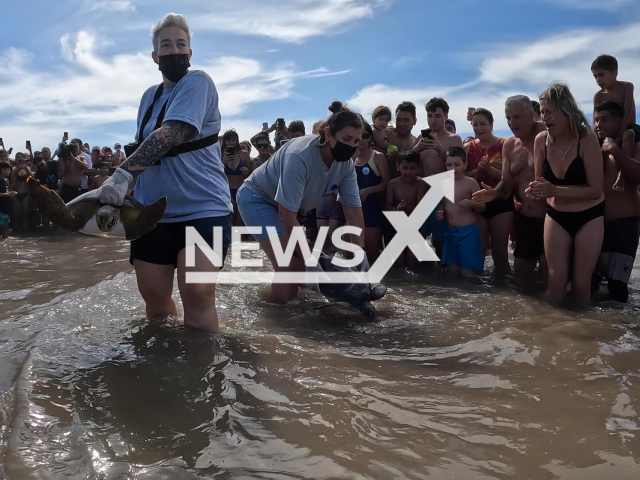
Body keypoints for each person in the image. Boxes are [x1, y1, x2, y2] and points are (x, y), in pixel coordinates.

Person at [96, 13, 233, 331]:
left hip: (203, 207)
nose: (174, 51)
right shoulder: (148, 96)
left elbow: (171, 133)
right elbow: (144, 147)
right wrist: (119, 193)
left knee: (197, 292)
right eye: (166, 45)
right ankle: (164, 365)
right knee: (155, 299)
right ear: (155, 55)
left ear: (190, 52)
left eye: (181, 44)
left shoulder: (198, 81)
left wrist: (121, 175)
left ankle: (203, 368)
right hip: (152, 212)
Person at [236, 101, 365, 302]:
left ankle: (299, 302)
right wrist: (309, 259)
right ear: (329, 134)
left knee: (301, 264)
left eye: (356, 142)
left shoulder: (346, 165)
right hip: (257, 198)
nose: (351, 146)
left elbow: (354, 211)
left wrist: (360, 253)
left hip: (291, 208)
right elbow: (285, 215)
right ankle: (283, 319)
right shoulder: (300, 155)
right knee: (289, 264)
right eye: (346, 138)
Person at [526, 83, 604, 307]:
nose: (544, 116)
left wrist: (554, 190)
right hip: (556, 215)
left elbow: (595, 190)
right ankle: (553, 335)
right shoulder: (541, 140)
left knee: (581, 282)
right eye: (541, 111)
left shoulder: (586, 139)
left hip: (589, 216)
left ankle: (586, 336)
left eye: (549, 111)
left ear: (565, 110)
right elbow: (541, 183)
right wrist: (534, 190)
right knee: (555, 281)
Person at [473, 95, 547, 291]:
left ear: (532, 115)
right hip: (526, 218)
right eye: (508, 118)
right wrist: (494, 194)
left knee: (551, 275)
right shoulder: (510, 145)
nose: (512, 123)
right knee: (522, 275)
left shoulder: (548, 136)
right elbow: (506, 185)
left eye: (517, 117)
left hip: (552, 218)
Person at [593, 101, 640, 302]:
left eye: (605, 119)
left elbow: (638, 176)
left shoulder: (631, 143)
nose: (598, 124)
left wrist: (615, 150)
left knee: (617, 288)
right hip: (596, 225)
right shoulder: (593, 146)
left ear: (620, 121)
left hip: (625, 225)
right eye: (596, 120)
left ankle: (624, 330)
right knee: (591, 284)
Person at [465, 108, 513, 277]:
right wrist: (477, 172)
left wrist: (490, 170)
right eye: (475, 124)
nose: (479, 128)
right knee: (479, 250)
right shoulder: (467, 148)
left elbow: (511, 177)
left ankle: (505, 292)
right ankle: (480, 295)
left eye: (483, 124)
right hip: (477, 202)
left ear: (492, 124)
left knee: (500, 252)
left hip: (501, 200)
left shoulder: (505, 144)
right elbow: (460, 176)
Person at [414, 98, 464, 258]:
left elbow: (460, 166)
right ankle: (422, 279)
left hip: (443, 194)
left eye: (437, 116)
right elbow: (408, 165)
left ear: (445, 116)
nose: (433, 120)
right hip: (422, 193)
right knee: (417, 237)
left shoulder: (453, 139)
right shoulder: (420, 139)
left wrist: (441, 150)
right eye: (429, 116)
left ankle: (443, 274)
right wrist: (416, 150)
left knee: (441, 238)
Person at [436, 147, 485, 278]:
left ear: (465, 164)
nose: (453, 168)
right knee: (453, 270)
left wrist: (472, 204)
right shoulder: (443, 183)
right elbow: (443, 204)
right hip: (450, 231)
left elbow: (482, 207)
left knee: (467, 272)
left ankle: (473, 297)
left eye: (457, 164)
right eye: (449, 165)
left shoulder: (470, 182)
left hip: (468, 232)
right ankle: (455, 299)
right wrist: (440, 211)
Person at [592, 54, 637, 192]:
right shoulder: (599, 96)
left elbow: (628, 112)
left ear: (614, 73)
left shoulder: (626, 87)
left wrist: (619, 134)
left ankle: (621, 177)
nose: (598, 80)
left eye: (601, 75)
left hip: (629, 128)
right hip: (609, 130)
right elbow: (596, 118)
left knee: (627, 136)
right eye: (595, 77)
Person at [354, 121, 390, 262]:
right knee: (352, 254)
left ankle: (376, 283)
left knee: (372, 254)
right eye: (358, 136)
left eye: (365, 135)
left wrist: (369, 191)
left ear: (370, 138)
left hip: (372, 210)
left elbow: (387, 182)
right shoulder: (351, 159)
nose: (361, 139)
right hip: (354, 210)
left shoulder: (377, 156)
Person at [385, 150, 427, 269]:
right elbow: (387, 206)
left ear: (418, 168)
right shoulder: (393, 184)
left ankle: (414, 286)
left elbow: (421, 208)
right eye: (405, 167)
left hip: (414, 228)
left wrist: (406, 207)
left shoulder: (420, 184)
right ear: (398, 167)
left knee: (413, 264)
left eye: (412, 168)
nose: (408, 172)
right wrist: (396, 210)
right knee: (399, 265)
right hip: (396, 227)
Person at [221, 129, 252, 225]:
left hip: (242, 189)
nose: (231, 143)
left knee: (241, 219)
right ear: (224, 142)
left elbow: (251, 173)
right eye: (228, 140)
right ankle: (231, 239)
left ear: (237, 141)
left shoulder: (244, 154)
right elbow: (215, 173)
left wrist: (247, 171)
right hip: (227, 190)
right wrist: (223, 162)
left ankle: (242, 239)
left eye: (233, 140)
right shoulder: (220, 155)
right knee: (231, 217)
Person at [10, 153, 32, 233]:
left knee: (25, 214)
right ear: (16, 160)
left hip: (25, 194)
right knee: (16, 215)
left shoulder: (27, 168)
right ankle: (16, 233)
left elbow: (33, 179)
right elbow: (13, 183)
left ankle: (25, 234)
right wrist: (17, 171)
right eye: (18, 157)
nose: (20, 159)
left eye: (21, 157)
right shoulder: (13, 169)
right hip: (16, 194)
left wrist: (26, 170)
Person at [0, 161, 16, 239]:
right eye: (9, 170)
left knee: (6, 227)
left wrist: (10, 194)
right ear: (3, 170)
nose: (10, 172)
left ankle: (6, 246)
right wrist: (8, 194)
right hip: (1, 209)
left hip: (6, 208)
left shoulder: (5, 181)